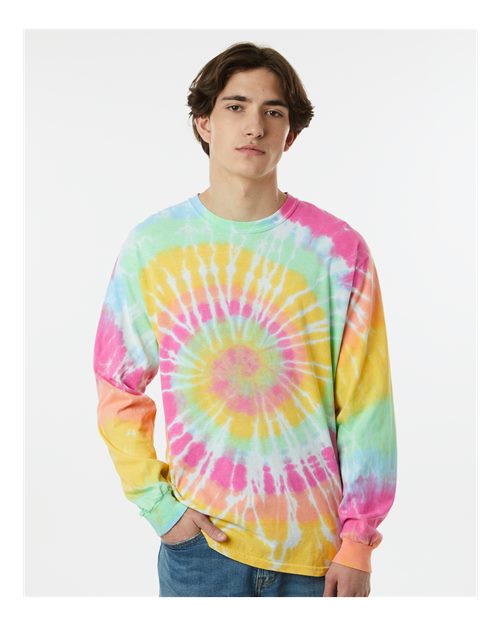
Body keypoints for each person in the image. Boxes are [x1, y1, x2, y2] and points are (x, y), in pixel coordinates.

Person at [92, 41, 397, 598]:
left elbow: (366, 404)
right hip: (202, 551)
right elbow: (117, 384)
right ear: (204, 122)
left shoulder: (337, 249)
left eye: (272, 112)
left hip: (318, 555)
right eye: (236, 106)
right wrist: (160, 507)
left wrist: (358, 540)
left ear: (290, 134)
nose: (254, 126)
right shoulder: (153, 246)